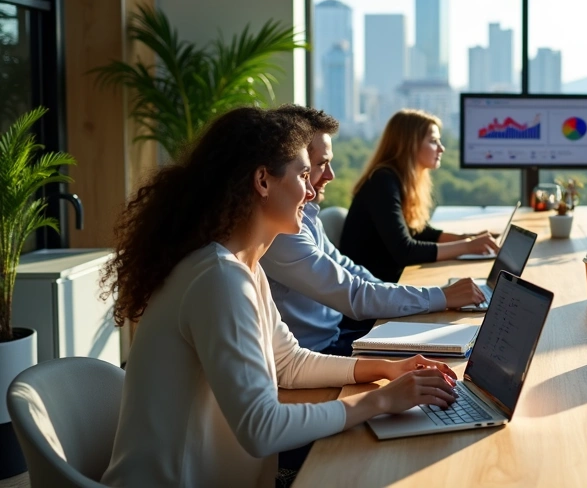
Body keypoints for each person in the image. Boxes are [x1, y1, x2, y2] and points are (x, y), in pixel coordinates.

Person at [100, 108, 460, 487]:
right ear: (263, 181)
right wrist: (380, 401)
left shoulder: (242, 267)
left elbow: (287, 362)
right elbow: (261, 428)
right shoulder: (218, 278)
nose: (311, 189)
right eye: (304, 174)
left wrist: (385, 368)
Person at [262, 106, 485, 356]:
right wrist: (440, 296)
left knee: (451, 341)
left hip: (339, 333)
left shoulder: (307, 216)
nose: (331, 175)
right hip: (322, 350)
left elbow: (353, 271)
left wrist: (421, 296)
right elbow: (357, 293)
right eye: (316, 166)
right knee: (445, 353)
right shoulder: (282, 231)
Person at [340, 109, 499, 283]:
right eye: (433, 141)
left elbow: (420, 232)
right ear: (409, 144)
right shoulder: (382, 182)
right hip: (373, 291)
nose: (441, 148)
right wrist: (467, 247)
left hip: (388, 284)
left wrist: (469, 238)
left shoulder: (398, 179)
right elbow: (405, 251)